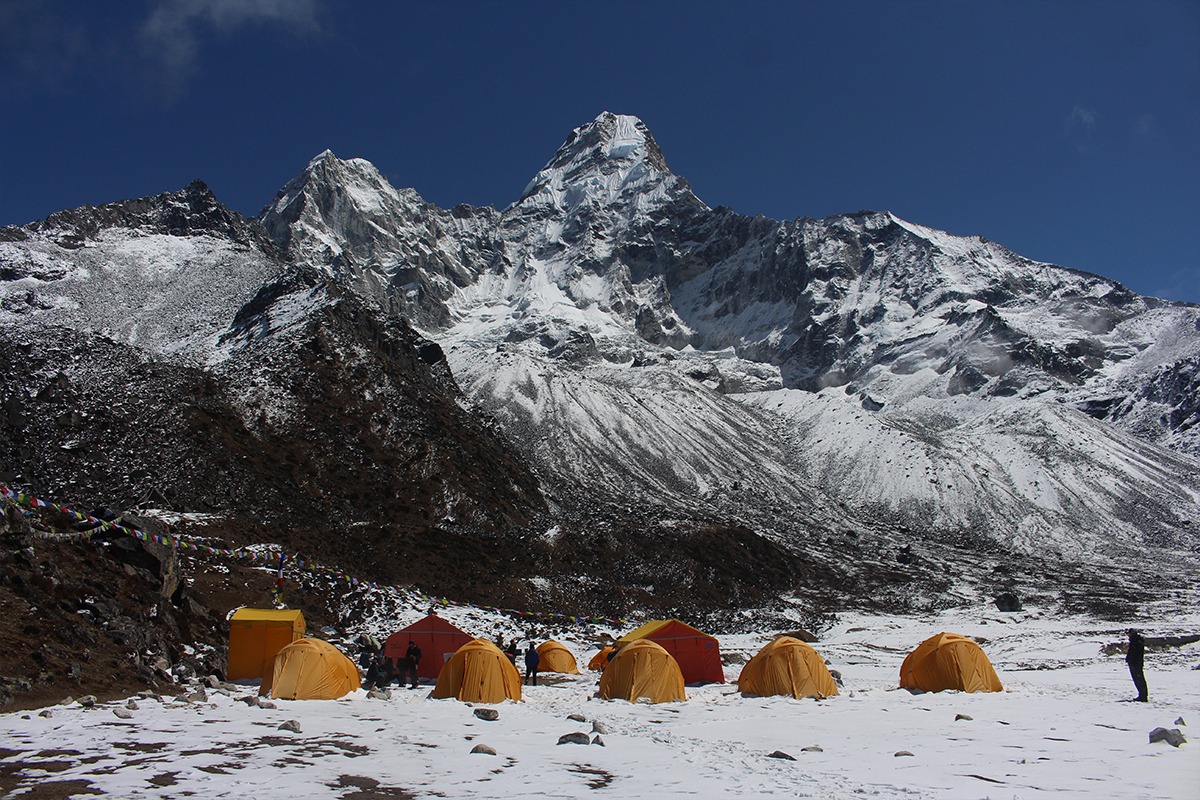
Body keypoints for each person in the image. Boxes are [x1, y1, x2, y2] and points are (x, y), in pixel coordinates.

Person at [1126, 628, 1147, 701]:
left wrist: (1133, 661)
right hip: (1133, 663)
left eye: (1130, 634)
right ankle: (1141, 695)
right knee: (1137, 680)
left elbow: (1136, 653)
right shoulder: (1134, 641)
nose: (1129, 636)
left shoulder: (1137, 642)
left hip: (1136, 663)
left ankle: (1143, 696)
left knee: (1139, 679)